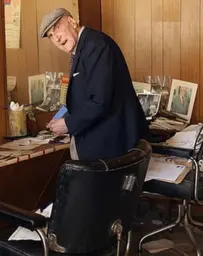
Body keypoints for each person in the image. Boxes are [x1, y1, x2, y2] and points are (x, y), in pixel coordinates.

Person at [41, 8, 148, 161]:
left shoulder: (95, 46)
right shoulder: (84, 47)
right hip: (102, 143)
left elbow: (100, 100)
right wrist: (63, 117)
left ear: (72, 21)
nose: (56, 38)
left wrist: (68, 124)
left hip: (111, 147)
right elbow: (86, 94)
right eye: (50, 36)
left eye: (57, 28)